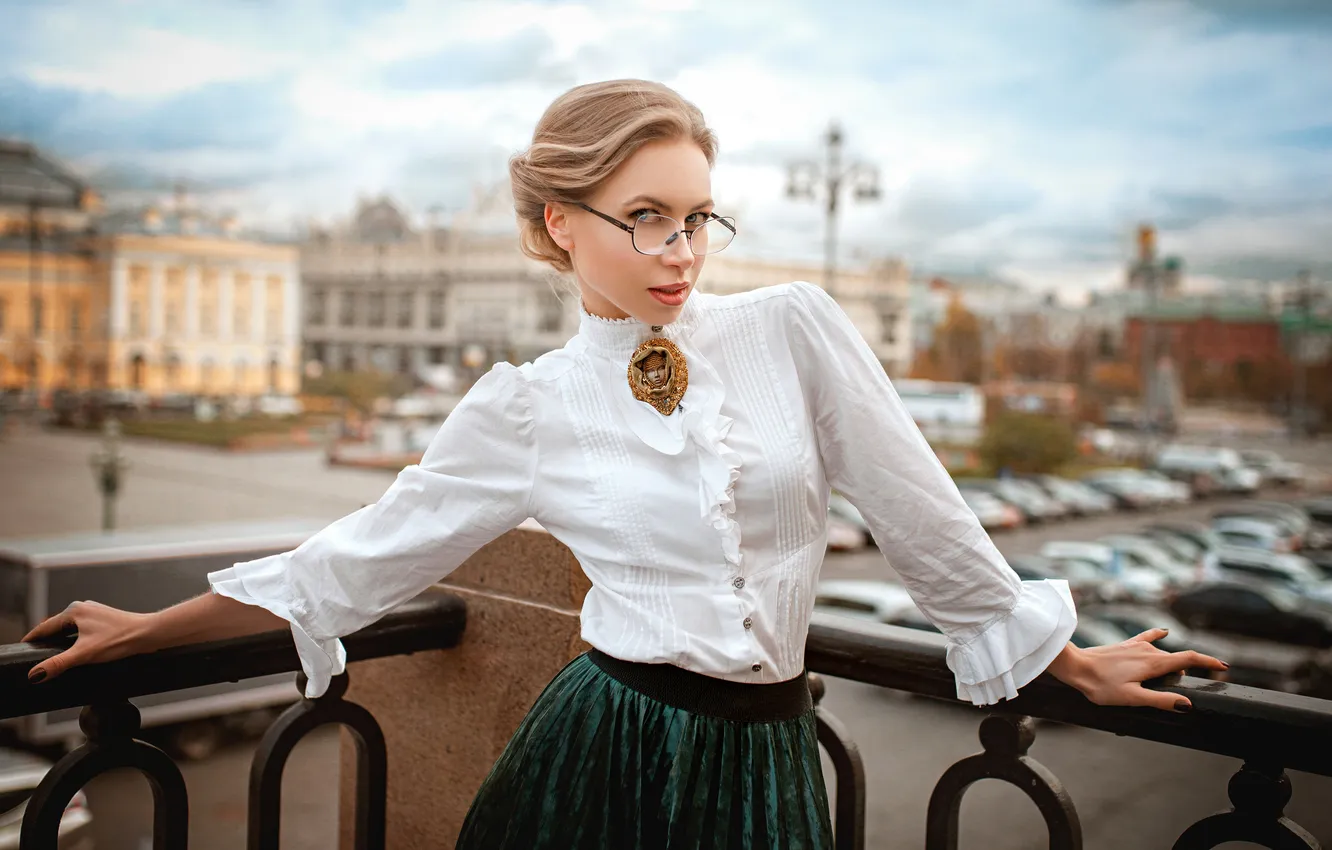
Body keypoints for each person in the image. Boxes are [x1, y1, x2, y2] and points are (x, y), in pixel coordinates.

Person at [23, 80, 1225, 849]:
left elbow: (925, 516)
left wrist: (1055, 658)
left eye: (699, 215)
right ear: (562, 223)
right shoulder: (529, 409)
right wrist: (143, 634)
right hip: (597, 751)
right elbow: (352, 563)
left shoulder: (790, 326)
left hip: (762, 767)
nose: (681, 249)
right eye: (646, 215)